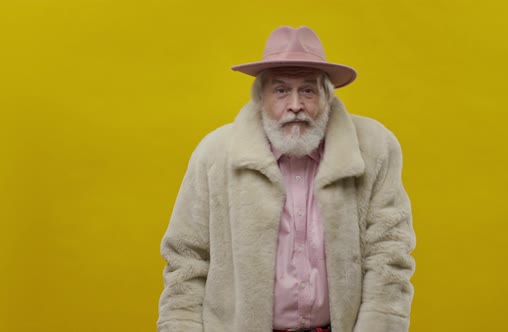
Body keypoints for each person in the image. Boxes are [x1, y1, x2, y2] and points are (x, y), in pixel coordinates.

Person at [157, 26, 416, 332]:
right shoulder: (214, 154)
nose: (295, 105)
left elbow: (389, 252)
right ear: (260, 98)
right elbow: (186, 259)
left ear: (327, 97)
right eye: (281, 91)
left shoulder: (374, 149)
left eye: (308, 90)